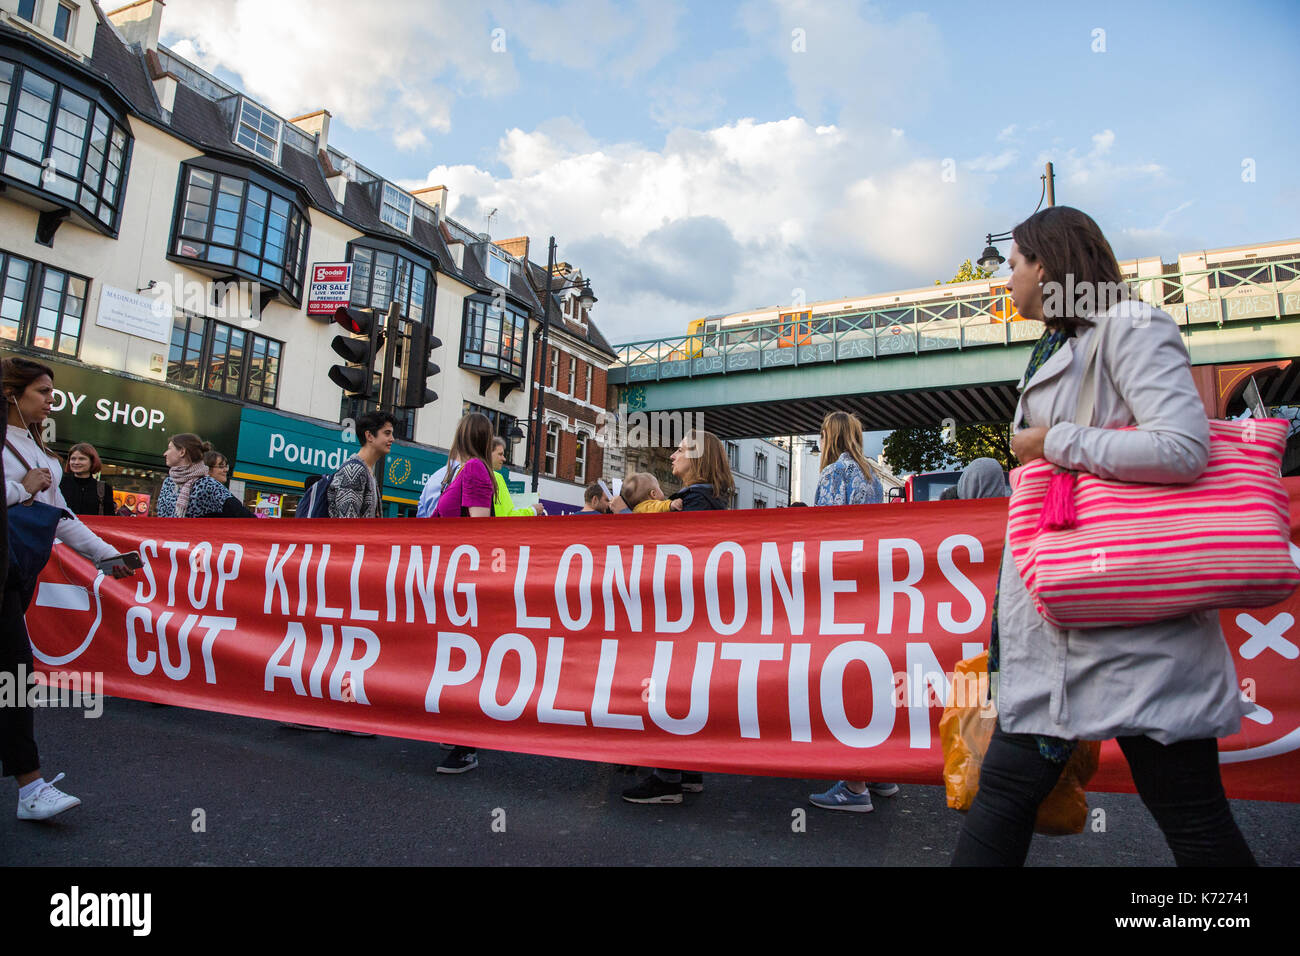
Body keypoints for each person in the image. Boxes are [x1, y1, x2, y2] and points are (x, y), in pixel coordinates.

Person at [951, 206, 1256, 866]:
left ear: (1048, 264)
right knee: (1007, 792)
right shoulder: (1054, 346)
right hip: (1068, 624)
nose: (1005, 280)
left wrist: (1052, 441)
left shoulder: (1134, 327)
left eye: (1013, 263)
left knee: (1190, 813)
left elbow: (1182, 448)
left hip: (1134, 625)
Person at [2, 356, 135, 821]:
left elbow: (62, 519)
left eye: (51, 392)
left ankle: (29, 787)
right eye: (41, 391)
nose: (50, 400)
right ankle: (30, 786)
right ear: (11, 394)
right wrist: (21, 488)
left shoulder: (42, 454)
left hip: (11, 577)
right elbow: (25, 494)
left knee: (15, 677)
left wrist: (105, 557)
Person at [622, 429, 733, 805]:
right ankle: (687, 770)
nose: (672, 455)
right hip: (696, 613)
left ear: (698, 457)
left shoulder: (695, 501)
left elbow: (678, 558)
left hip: (680, 613)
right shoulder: (705, 498)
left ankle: (666, 777)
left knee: (670, 685)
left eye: (682, 449)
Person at [807, 411, 896, 812]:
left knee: (844, 677)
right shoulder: (872, 477)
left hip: (841, 587)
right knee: (868, 675)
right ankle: (879, 771)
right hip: (870, 585)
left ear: (831, 436)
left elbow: (824, 533)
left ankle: (854, 783)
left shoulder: (833, 474)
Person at [430, 412, 499, 773]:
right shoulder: (466, 470)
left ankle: (467, 744)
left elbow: (479, 527)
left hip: (461, 581)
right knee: (455, 657)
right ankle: (460, 733)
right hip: (451, 578)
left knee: (463, 659)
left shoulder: (473, 470)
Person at [156, 435, 250, 518]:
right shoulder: (168, 482)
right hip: (167, 537)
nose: (165, 453)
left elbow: (243, 515)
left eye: (169, 448)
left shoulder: (207, 484)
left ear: (182, 452)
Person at [327, 411, 392, 519]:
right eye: (387, 433)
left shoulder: (367, 470)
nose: (392, 439)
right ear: (369, 436)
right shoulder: (354, 470)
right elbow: (348, 523)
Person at [489, 437, 545, 517]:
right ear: (487, 453)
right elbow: (505, 516)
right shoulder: (495, 477)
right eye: (500, 454)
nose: (504, 459)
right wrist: (533, 511)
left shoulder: (469, 471)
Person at [59, 442, 115, 516]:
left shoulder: (104, 489)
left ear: (92, 462)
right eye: (73, 459)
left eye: (81, 459)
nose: (76, 462)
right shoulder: (59, 483)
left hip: (91, 527)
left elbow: (109, 518)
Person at [616, 472, 684, 513]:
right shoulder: (647, 506)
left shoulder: (637, 509)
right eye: (659, 488)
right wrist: (670, 505)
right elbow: (657, 507)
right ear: (653, 494)